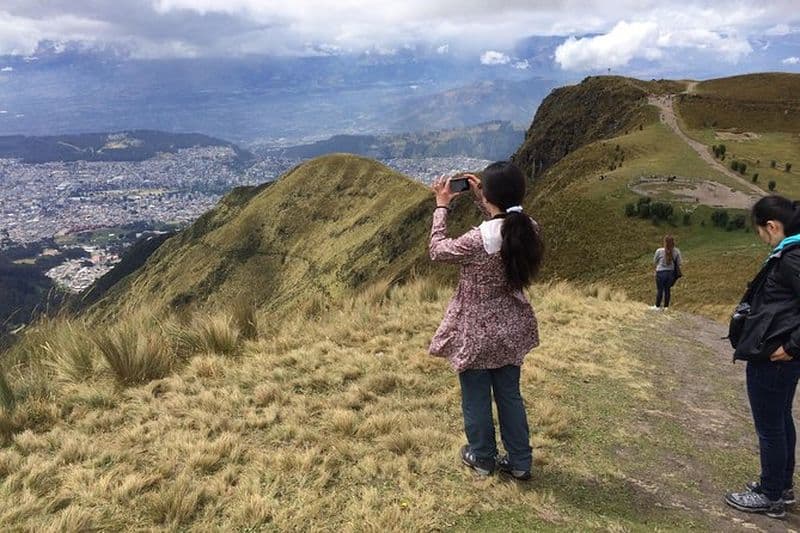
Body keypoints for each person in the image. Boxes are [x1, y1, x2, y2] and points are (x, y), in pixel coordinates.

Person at [427, 161, 544, 480]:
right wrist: (484, 199)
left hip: (475, 331)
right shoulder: (528, 228)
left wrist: (442, 207)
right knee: (510, 395)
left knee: (476, 396)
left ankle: (482, 457)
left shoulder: (477, 240)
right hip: (511, 327)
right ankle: (520, 461)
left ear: (489, 195)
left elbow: (437, 250)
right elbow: (502, 221)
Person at [725, 196, 800, 519]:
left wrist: (793, 346)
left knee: (769, 426)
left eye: (761, 231)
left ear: (772, 226)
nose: (761, 238)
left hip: (775, 356)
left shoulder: (792, 258)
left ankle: (771, 495)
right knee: (780, 419)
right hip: (777, 354)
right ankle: (780, 486)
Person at [650, 235, 682, 311]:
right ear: (673, 242)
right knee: (667, 290)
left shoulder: (659, 251)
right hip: (670, 273)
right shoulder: (677, 251)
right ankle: (666, 307)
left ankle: (657, 306)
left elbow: (654, 261)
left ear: (664, 242)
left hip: (660, 272)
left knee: (659, 290)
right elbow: (679, 263)